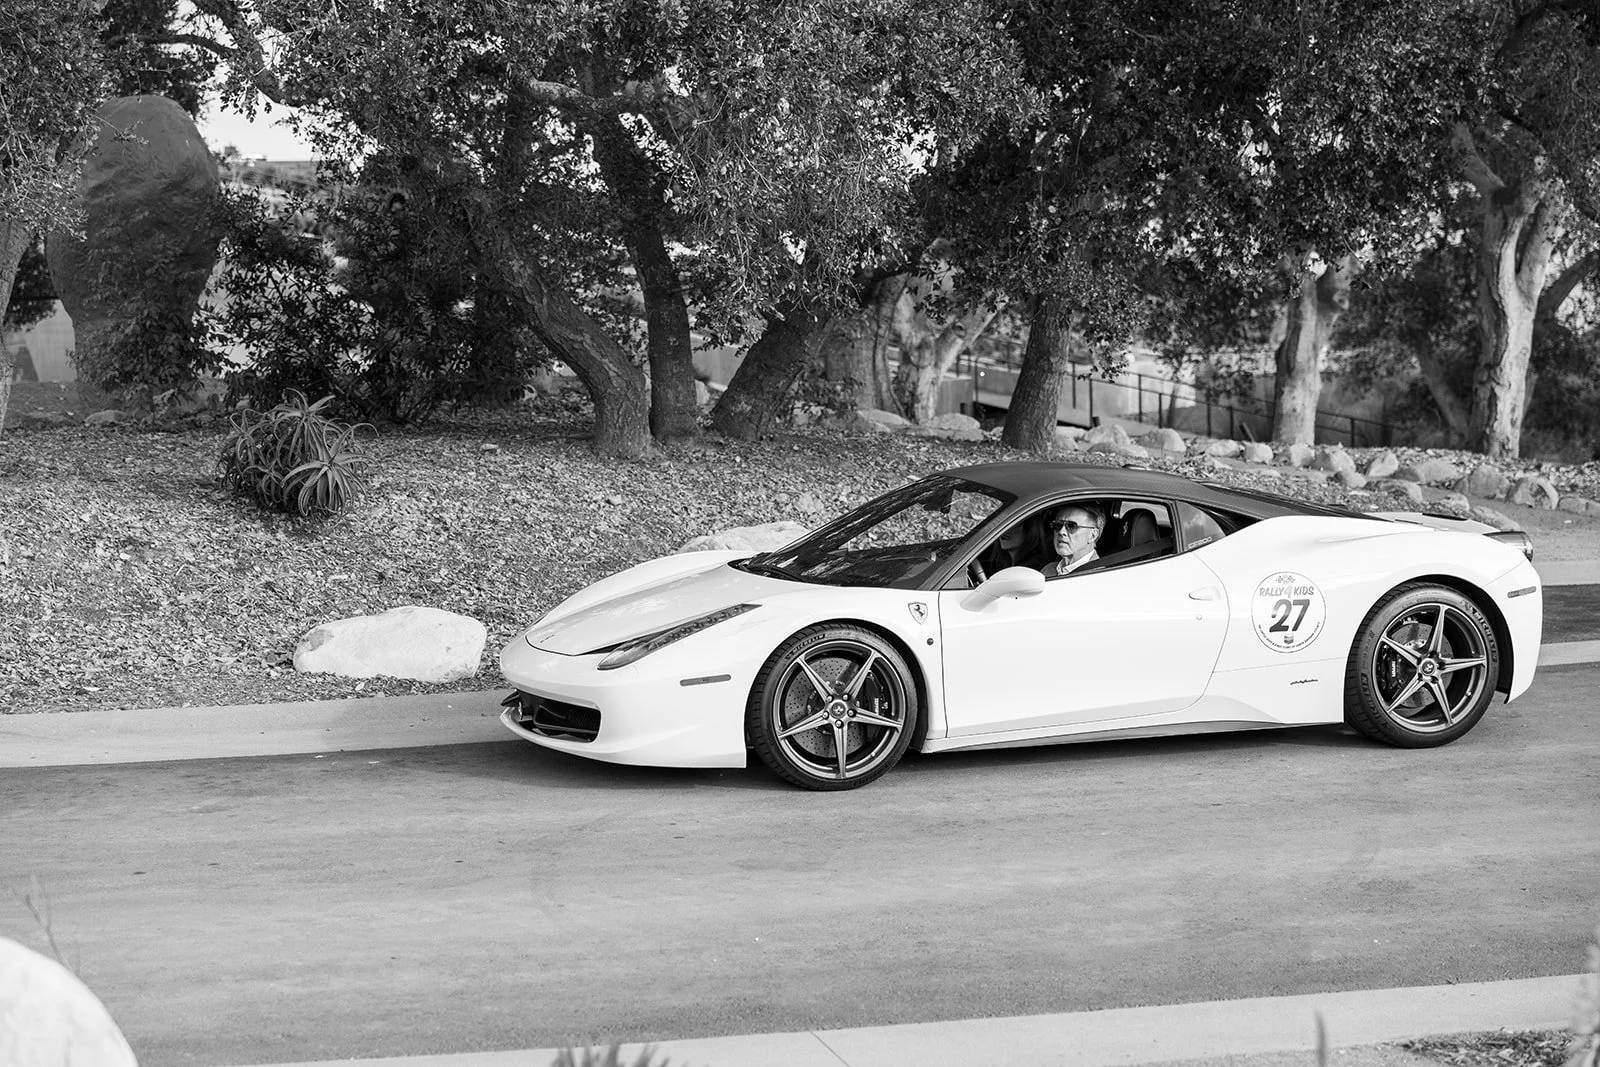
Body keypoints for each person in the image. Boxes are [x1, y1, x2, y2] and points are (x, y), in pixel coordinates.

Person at [1041, 502, 1105, 577]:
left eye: (1071, 526)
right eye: (1058, 525)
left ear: (1092, 536)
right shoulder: (1048, 570)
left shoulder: (1100, 576)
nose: (1062, 532)